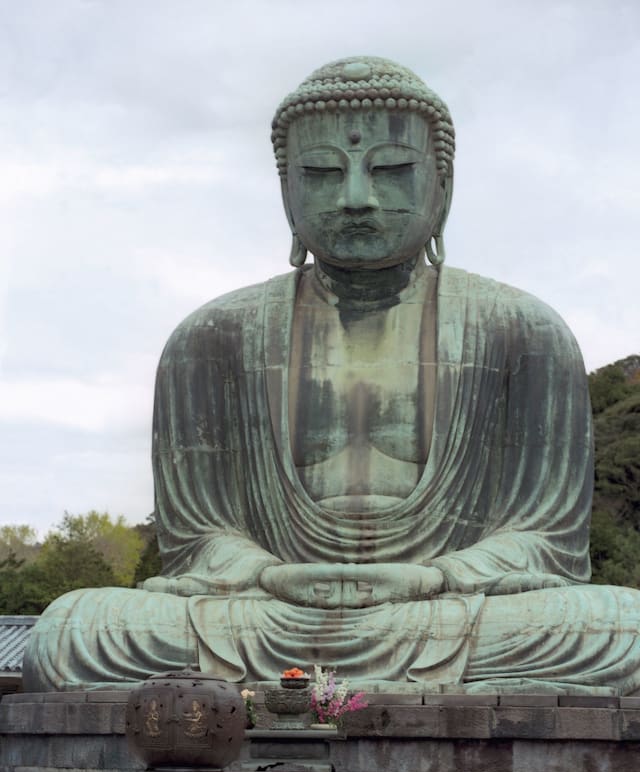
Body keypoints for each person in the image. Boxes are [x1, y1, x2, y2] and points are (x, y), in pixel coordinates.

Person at [23, 57, 640, 695]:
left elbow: (544, 542)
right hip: (268, 611)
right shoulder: (211, 339)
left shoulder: (523, 332)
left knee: (624, 631)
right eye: (319, 174)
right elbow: (200, 539)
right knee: (73, 630)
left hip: (447, 610)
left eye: (392, 170)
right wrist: (269, 574)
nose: (355, 198)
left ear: (443, 186)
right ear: (286, 190)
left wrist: (434, 578)